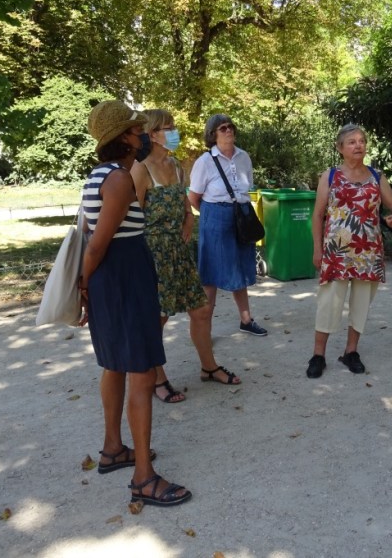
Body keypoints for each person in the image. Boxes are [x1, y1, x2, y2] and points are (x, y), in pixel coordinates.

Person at [79, 100, 191, 506]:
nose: (144, 135)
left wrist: (89, 285)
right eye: (137, 130)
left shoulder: (99, 176)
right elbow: (97, 245)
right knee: (142, 373)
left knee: (114, 365)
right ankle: (144, 477)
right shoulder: (118, 180)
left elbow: (91, 237)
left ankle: (113, 449)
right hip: (124, 279)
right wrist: (83, 286)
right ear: (124, 138)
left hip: (114, 280)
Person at [130, 109, 241, 397]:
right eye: (168, 127)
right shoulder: (140, 169)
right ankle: (157, 379)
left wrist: (189, 218)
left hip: (179, 251)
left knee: (201, 310)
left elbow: (184, 201)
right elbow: (133, 217)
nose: (174, 132)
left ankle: (209, 367)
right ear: (152, 133)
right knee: (158, 318)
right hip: (154, 253)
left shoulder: (175, 165)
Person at [306, 124, 392, 378]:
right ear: (340, 148)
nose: (358, 145)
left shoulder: (376, 176)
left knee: (361, 303)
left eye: (361, 141)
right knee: (329, 302)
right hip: (337, 249)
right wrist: (317, 248)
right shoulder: (330, 176)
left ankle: (351, 351)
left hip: (368, 250)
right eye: (351, 142)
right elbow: (317, 215)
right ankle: (318, 355)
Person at [188, 114, 267, 337]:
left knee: (239, 269)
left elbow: (246, 187)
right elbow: (193, 197)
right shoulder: (204, 161)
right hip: (215, 216)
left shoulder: (244, 157)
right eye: (223, 128)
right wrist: (213, 215)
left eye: (231, 126)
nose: (229, 130)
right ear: (213, 134)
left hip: (241, 215)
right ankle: (205, 329)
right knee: (210, 275)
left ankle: (246, 320)